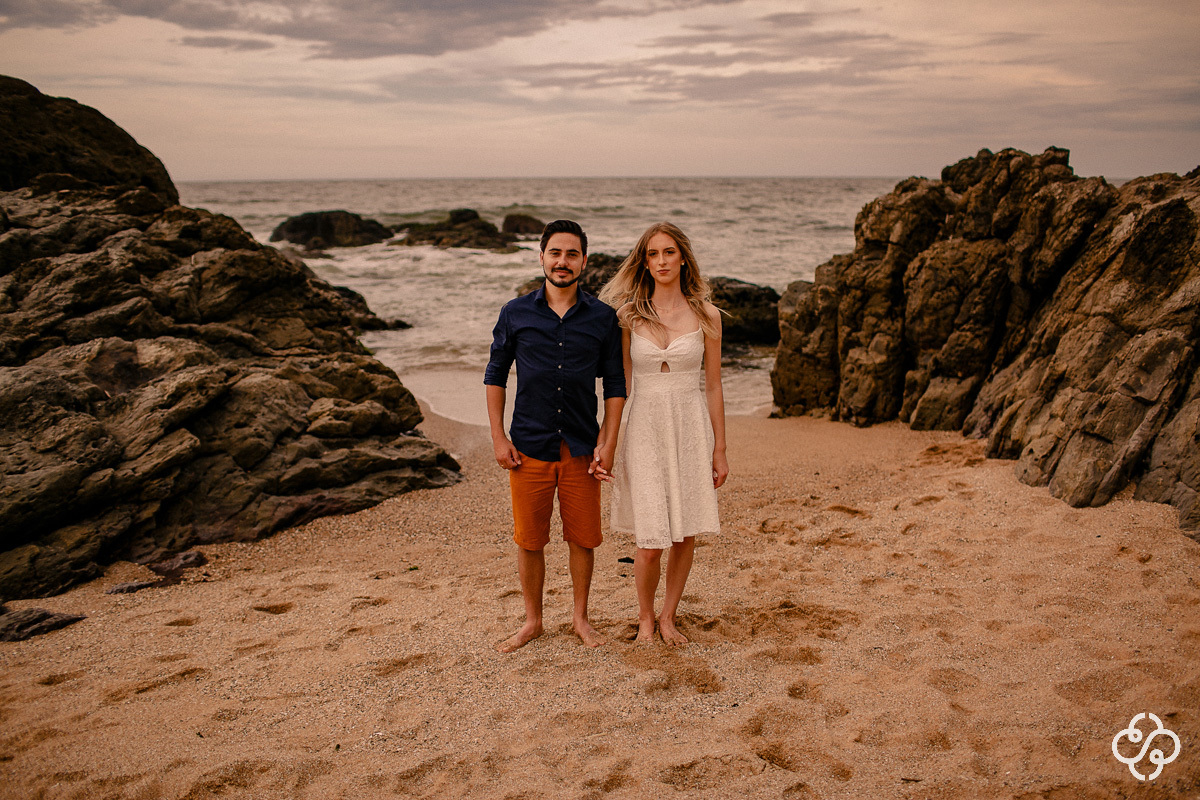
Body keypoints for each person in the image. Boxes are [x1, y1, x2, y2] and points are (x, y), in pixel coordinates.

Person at [484, 219, 626, 653]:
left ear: (584, 260)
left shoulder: (603, 318)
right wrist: (498, 436)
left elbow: (616, 385)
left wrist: (608, 441)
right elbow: (495, 376)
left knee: (583, 538)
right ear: (541, 256)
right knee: (530, 540)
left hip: (583, 447)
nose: (562, 262)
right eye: (555, 253)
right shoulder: (515, 313)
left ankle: (580, 619)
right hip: (529, 445)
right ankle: (533, 621)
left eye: (571, 254)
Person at [597, 222, 728, 646]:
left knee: (685, 529)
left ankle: (668, 615)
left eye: (668, 252)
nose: (661, 261)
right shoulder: (628, 316)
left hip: (690, 424)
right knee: (651, 536)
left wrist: (720, 449)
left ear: (683, 257)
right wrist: (608, 441)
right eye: (653, 254)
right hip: (646, 425)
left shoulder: (707, 315)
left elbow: (712, 385)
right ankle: (645, 618)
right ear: (644, 262)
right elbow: (619, 386)